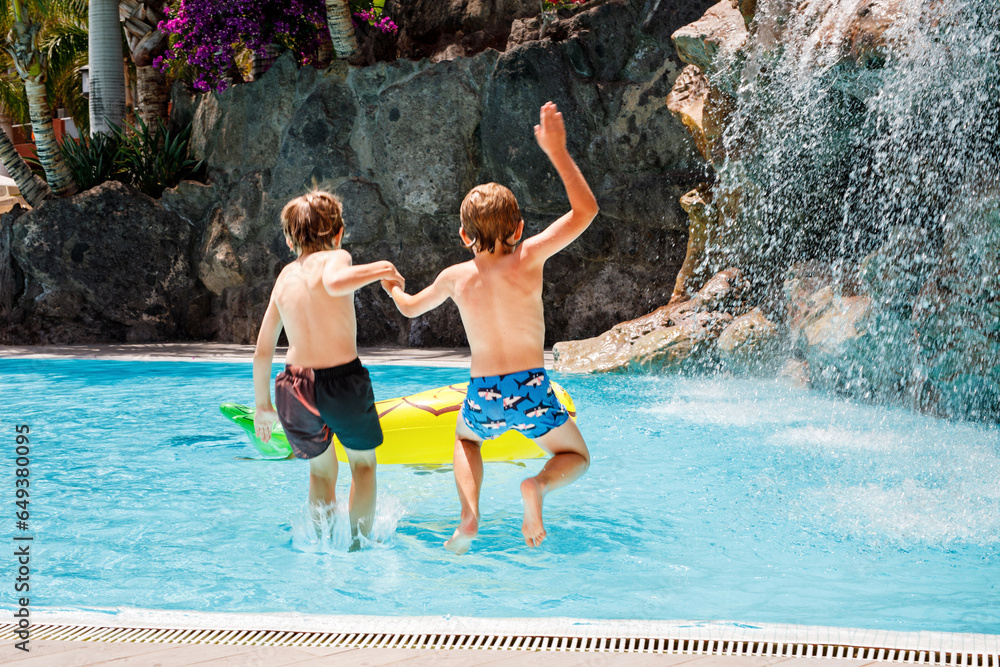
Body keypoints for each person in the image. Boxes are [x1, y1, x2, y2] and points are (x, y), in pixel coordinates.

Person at [383, 102, 598, 553]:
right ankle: (536, 487)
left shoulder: (455, 277)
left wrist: (394, 289)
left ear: (464, 237)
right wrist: (557, 152)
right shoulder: (530, 255)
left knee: (465, 438)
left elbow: (408, 310)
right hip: (533, 387)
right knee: (575, 456)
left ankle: (470, 515)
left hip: (484, 393)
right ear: (519, 228)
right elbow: (585, 212)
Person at [252, 189, 404, 539]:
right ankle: (355, 545)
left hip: (292, 387)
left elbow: (262, 352)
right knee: (363, 466)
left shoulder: (284, 277)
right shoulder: (337, 258)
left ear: (290, 240)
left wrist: (263, 406)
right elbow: (335, 284)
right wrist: (383, 267)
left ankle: (320, 545)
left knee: (321, 473)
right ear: (338, 233)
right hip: (340, 383)